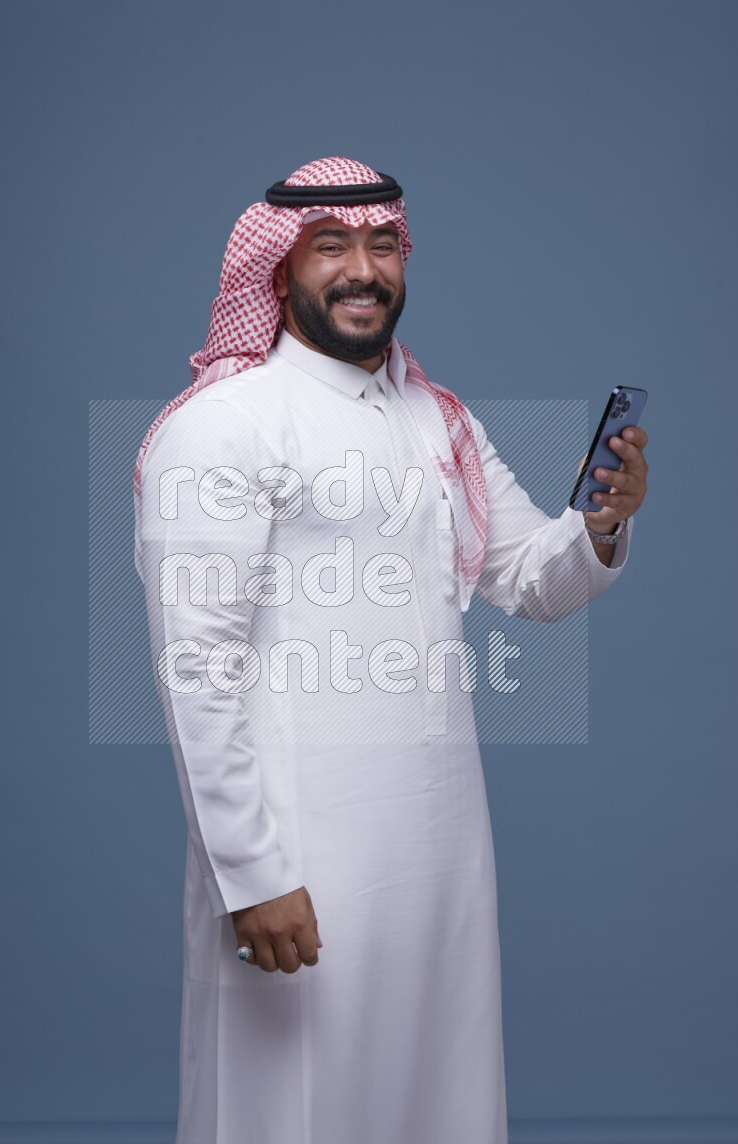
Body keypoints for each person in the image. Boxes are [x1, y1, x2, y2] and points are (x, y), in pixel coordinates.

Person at [133, 156, 648, 1144]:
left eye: (379, 245)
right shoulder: (223, 428)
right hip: (297, 851)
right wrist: (251, 875)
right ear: (279, 271)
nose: (360, 269)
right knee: (287, 1104)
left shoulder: (433, 418)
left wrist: (600, 526)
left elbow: (528, 580)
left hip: (441, 845)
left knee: (436, 1097)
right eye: (330, 246)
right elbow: (196, 669)